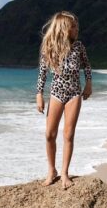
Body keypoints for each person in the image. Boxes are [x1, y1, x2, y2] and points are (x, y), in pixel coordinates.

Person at [36, 10, 92, 189]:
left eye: (76, 26)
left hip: (74, 93)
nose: (77, 29)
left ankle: (65, 173)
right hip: (56, 94)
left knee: (68, 134)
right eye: (74, 26)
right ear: (64, 28)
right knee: (49, 134)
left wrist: (88, 84)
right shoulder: (49, 48)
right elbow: (42, 73)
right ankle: (51, 171)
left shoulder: (79, 47)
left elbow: (87, 66)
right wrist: (39, 94)